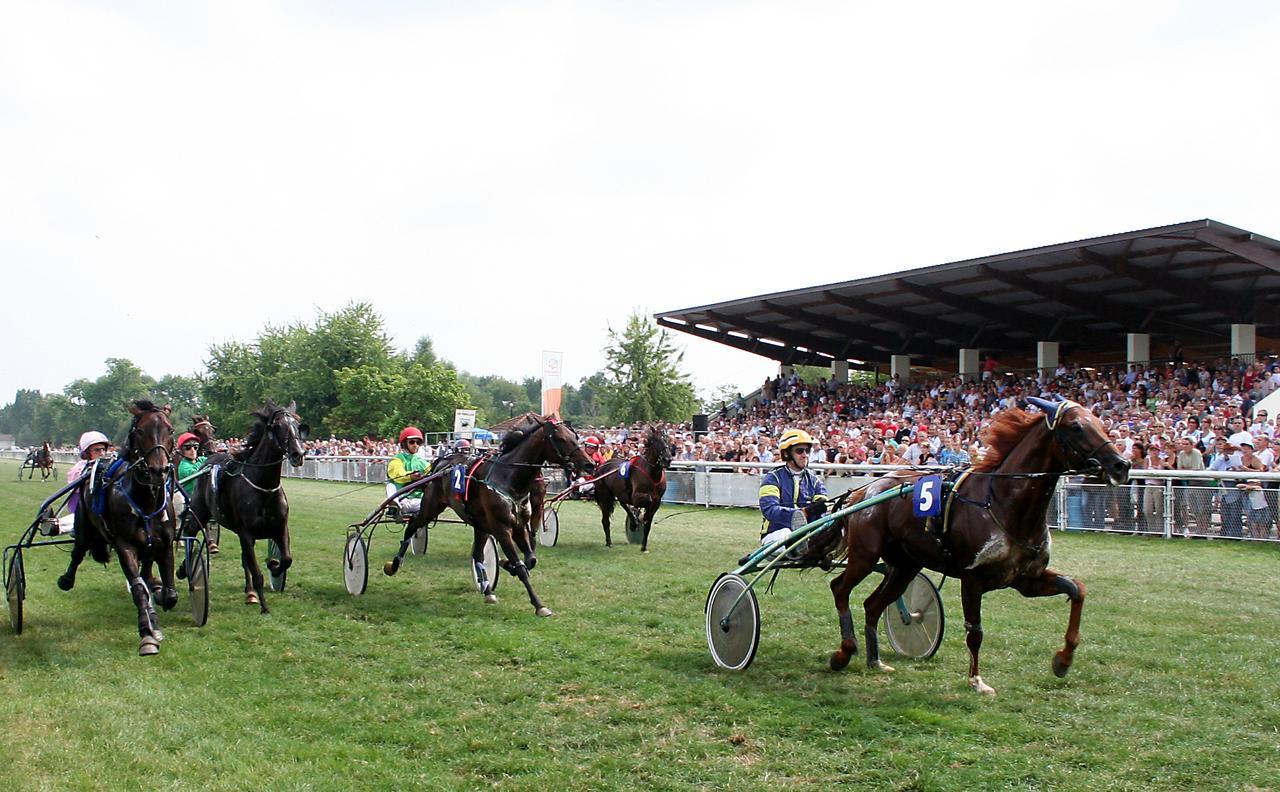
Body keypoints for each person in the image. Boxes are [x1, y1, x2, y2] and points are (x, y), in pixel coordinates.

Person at [758, 428, 828, 549]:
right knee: (786, 534)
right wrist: (802, 513)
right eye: (800, 451)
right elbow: (769, 510)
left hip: (806, 532)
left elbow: (823, 505)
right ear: (786, 454)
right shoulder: (772, 478)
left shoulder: (815, 480)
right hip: (776, 533)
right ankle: (803, 547)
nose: (805, 455)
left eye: (807, 450)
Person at [54, 431, 112, 535]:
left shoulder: (109, 467)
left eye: (103, 449)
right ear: (86, 453)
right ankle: (57, 526)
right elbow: (74, 487)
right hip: (83, 509)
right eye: (97, 450)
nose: (102, 453)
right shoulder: (79, 469)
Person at [174, 432, 217, 553]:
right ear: (182, 450)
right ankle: (209, 541)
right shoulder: (183, 466)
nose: (192, 450)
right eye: (188, 448)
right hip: (189, 497)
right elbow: (197, 473)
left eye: (195, 447)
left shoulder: (202, 459)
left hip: (204, 495)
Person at [387, 427, 430, 515]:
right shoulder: (396, 460)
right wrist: (411, 476)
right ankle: (394, 506)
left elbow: (432, 472)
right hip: (403, 501)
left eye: (418, 442)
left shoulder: (421, 462)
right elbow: (398, 475)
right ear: (404, 444)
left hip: (420, 502)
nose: (415, 445)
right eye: (412, 442)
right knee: (390, 485)